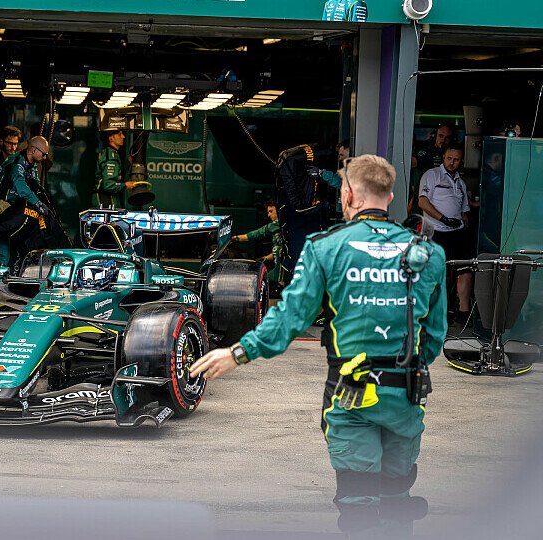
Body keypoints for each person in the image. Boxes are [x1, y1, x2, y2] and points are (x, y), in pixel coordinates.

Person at [190, 155, 447, 538]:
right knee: (397, 500)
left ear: (348, 195)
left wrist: (237, 353)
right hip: (407, 397)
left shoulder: (326, 248)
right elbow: (435, 336)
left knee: (359, 507)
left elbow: (290, 317)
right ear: (390, 197)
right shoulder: (429, 254)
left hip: (352, 396)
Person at [417, 144, 473, 322]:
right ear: (443, 158)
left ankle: (463, 312)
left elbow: (464, 211)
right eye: (449, 158)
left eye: (456, 159)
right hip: (437, 231)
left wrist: (465, 224)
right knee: (441, 272)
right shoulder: (432, 175)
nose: (452, 162)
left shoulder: (461, 183)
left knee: (465, 269)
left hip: (457, 232)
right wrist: (443, 218)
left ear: (461, 161)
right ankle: (439, 310)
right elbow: (422, 202)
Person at [0, 135, 52, 271]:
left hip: (14, 212)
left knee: (15, 254)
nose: (45, 157)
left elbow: (36, 186)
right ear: (33, 150)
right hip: (0, 209)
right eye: (43, 154)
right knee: (3, 255)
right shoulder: (17, 163)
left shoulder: (31, 166)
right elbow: (21, 186)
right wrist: (37, 203)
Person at [232, 200, 287, 290]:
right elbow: (278, 251)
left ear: (279, 210)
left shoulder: (276, 225)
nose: (269, 215)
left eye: (271, 211)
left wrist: (235, 238)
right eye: (268, 212)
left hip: (283, 274)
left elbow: (256, 234)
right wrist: (265, 258)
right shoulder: (278, 229)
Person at [93, 130, 137, 208]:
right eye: (119, 134)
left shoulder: (111, 153)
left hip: (108, 199)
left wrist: (128, 163)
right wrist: (125, 185)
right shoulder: (110, 155)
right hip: (105, 200)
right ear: (111, 138)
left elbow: (115, 172)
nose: (123, 136)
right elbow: (108, 185)